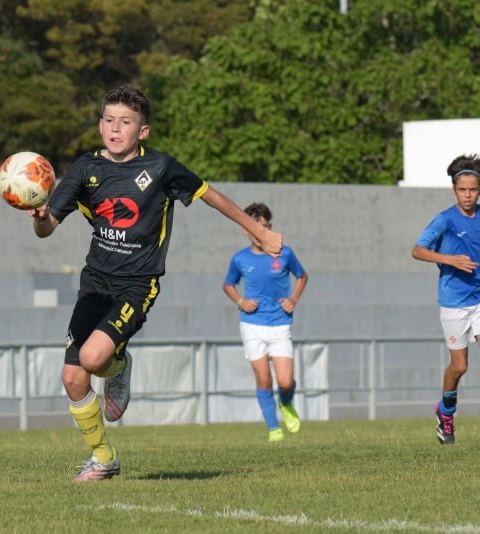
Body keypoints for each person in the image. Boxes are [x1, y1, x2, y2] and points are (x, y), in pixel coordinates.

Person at [29, 85, 283, 481]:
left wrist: (260, 233)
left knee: (93, 360)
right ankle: (104, 458)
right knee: (73, 377)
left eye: (125, 122)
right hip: (95, 283)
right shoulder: (84, 169)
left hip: (137, 284)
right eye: (109, 120)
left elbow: (210, 196)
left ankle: (118, 365)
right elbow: (47, 230)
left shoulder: (161, 167)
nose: (115, 128)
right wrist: (39, 217)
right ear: (100, 125)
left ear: (142, 131)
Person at [412, 154, 480, 446]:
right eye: (462, 190)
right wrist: (450, 260)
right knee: (459, 367)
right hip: (454, 302)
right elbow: (417, 250)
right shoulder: (444, 220)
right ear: (454, 190)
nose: (467, 195)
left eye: (472, 190)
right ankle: (445, 411)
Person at [223, 202, 308, 443]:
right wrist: (241, 301)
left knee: (285, 381)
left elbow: (302, 276)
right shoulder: (240, 259)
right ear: (245, 228)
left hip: (280, 323)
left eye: (266, 227)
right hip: (252, 325)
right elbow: (228, 284)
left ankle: (286, 403)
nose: (262, 232)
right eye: (257, 227)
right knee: (263, 379)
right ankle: (273, 429)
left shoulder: (285, 253)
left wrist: (293, 299)